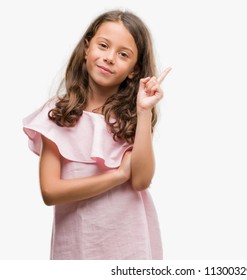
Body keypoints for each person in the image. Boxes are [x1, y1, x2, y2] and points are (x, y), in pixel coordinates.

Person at [22, 9, 171, 260]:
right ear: (87, 48)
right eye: (103, 46)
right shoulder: (58, 114)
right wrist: (118, 175)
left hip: (130, 247)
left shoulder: (132, 117)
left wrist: (144, 111)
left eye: (123, 54)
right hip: (77, 247)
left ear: (134, 69)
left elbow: (141, 181)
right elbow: (50, 192)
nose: (110, 58)